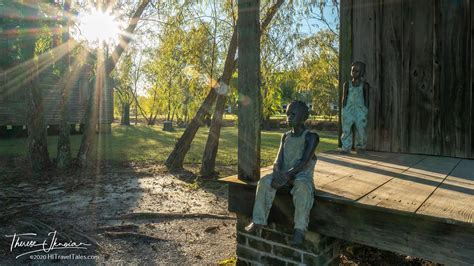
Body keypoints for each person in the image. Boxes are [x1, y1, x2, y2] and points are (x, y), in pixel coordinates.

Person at [245, 100, 319, 245]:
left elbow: (304, 162)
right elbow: (277, 160)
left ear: (304, 116)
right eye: (287, 114)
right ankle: (258, 220)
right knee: (264, 182)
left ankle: (300, 229)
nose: (289, 117)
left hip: (301, 176)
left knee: (303, 190)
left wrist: (286, 176)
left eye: (293, 114)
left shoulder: (311, 137)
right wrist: (277, 172)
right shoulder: (285, 136)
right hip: (284, 174)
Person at [341, 61, 369, 153]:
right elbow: (344, 97)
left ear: (362, 73)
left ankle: (360, 147)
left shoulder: (364, 85)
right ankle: (346, 147)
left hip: (360, 110)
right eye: (353, 70)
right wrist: (344, 109)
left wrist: (366, 109)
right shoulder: (347, 84)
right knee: (346, 129)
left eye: (357, 71)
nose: (354, 73)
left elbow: (367, 99)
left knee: (361, 129)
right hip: (348, 109)